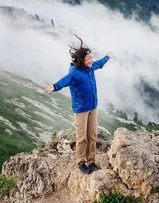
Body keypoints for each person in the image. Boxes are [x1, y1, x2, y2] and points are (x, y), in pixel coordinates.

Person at [44, 37, 113, 175]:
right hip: (81, 109)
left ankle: (91, 161)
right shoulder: (75, 73)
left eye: (92, 58)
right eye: (89, 59)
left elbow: (99, 64)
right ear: (82, 60)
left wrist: (107, 57)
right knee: (82, 137)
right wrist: (55, 87)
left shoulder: (90, 67)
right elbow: (65, 81)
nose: (91, 61)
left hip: (93, 107)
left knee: (92, 135)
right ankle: (81, 162)